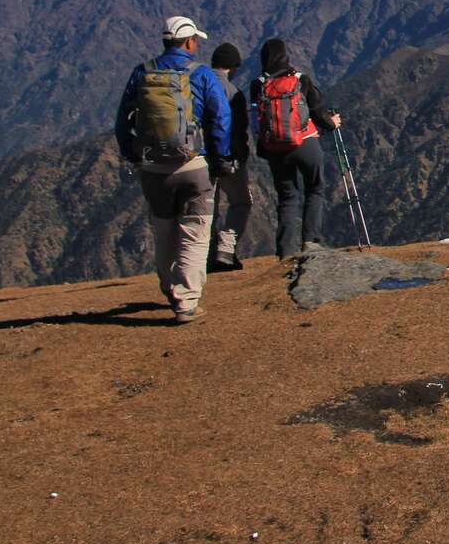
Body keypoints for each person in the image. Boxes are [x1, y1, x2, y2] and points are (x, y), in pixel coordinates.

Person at [115, 16, 233, 324]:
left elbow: (122, 119)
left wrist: (134, 154)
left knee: (164, 229)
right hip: (193, 164)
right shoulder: (202, 74)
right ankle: (187, 301)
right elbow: (221, 118)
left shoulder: (142, 73)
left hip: (153, 167)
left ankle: (170, 289)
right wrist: (221, 158)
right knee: (195, 233)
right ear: (190, 42)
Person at [251, 38, 340, 259]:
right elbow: (318, 113)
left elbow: (257, 120)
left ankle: (285, 251)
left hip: (275, 149)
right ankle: (310, 241)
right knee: (315, 189)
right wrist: (333, 123)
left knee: (287, 197)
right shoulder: (301, 80)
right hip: (306, 143)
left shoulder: (258, 85)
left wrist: (262, 148)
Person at [208, 43, 253, 272]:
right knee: (241, 201)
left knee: (208, 209)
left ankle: (206, 253)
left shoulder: (196, 85)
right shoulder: (232, 93)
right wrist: (240, 156)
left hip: (199, 159)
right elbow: (238, 130)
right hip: (227, 159)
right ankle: (225, 250)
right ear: (233, 67)